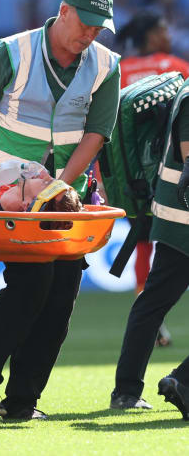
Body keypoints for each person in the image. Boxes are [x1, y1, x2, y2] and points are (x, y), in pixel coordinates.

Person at [0, 0, 121, 421]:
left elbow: (96, 134)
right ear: (63, 11)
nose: (90, 35)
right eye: (84, 24)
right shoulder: (12, 52)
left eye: (99, 29)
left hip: (63, 199)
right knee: (31, 285)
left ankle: (22, 400)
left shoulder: (106, 65)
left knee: (61, 294)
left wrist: (60, 188)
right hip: (4, 196)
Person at [111, 75, 189, 412]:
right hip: (182, 221)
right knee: (153, 304)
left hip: (175, 217)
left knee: (152, 303)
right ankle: (176, 382)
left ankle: (130, 390)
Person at [116, 11, 189, 348]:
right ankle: (156, 312)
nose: (168, 32)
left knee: (143, 242)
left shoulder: (121, 71)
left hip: (135, 177)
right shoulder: (175, 66)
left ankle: (148, 310)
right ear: (151, 35)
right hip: (174, 172)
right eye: (163, 27)